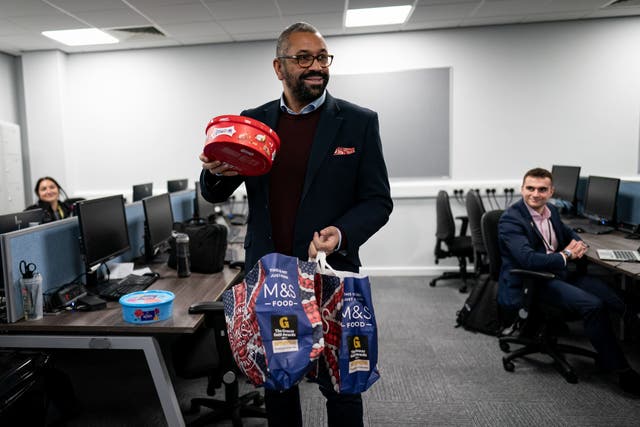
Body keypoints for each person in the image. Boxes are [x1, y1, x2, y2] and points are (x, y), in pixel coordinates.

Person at [199, 21, 393, 427]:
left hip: (331, 274)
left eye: (322, 57)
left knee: (341, 380)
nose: (316, 66)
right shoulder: (254, 123)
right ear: (279, 67)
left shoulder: (358, 122)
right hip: (272, 276)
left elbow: (377, 201)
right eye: (303, 57)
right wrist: (217, 170)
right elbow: (216, 191)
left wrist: (339, 233)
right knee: (279, 382)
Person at [498, 167, 640, 396]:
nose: (536, 194)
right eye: (530, 188)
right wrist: (566, 256)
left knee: (615, 297)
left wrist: (579, 244)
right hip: (533, 281)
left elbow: (568, 234)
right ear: (522, 189)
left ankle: (619, 347)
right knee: (593, 306)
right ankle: (621, 369)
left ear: (551, 191)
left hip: (558, 272)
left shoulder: (550, 211)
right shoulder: (510, 220)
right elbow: (528, 259)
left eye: (542, 189)